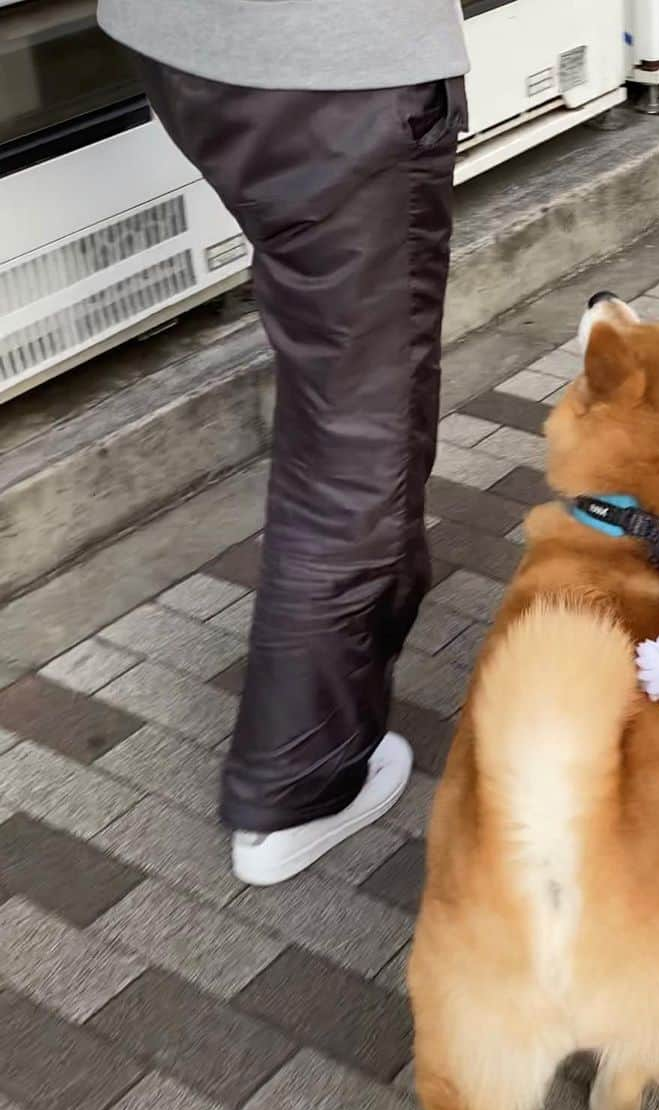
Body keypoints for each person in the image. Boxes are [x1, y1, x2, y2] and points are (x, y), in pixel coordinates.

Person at [97, 0, 469, 885]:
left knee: (337, 394)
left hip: (183, 47)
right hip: (330, 70)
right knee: (358, 447)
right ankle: (300, 790)